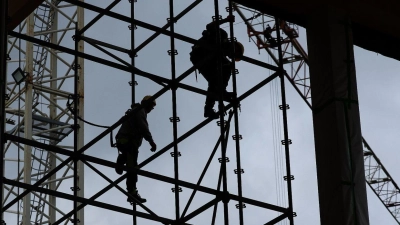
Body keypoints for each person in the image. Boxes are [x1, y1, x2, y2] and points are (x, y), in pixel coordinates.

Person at [190, 15, 244, 119]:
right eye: (233, 54)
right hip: (201, 53)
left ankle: (208, 108)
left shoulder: (221, 55)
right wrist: (226, 20)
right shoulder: (223, 36)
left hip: (201, 59)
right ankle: (221, 91)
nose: (231, 56)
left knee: (214, 82)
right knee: (227, 67)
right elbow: (209, 26)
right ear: (234, 47)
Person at [115, 95, 157, 204]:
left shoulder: (137, 110)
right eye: (151, 106)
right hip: (128, 142)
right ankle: (132, 193)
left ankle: (121, 159)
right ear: (146, 103)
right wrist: (151, 141)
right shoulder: (140, 111)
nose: (152, 109)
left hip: (124, 141)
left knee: (131, 163)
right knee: (133, 168)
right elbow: (143, 127)